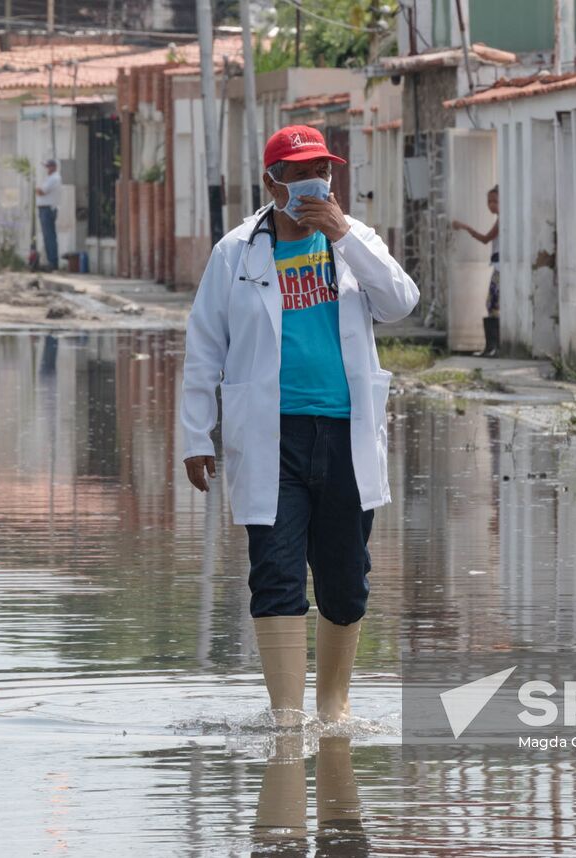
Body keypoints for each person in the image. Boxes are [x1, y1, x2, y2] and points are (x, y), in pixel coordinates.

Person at [180, 125, 419, 727]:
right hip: (270, 438)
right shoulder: (236, 252)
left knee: (345, 580)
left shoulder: (354, 240)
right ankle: (287, 718)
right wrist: (194, 436)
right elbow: (204, 347)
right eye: (300, 172)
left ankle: (332, 709)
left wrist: (345, 237)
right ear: (273, 181)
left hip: (345, 435)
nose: (315, 183)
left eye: (324, 171)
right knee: (276, 573)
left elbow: (402, 302)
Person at [452, 185, 501, 356]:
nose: (491, 205)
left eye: (495, 201)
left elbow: (486, 239)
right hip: (497, 265)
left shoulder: (502, 221)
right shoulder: (500, 219)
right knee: (493, 305)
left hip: (501, 267)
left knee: (493, 305)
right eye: (489, 202)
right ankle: (492, 346)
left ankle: (493, 346)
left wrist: (465, 227)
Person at [35, 158, 61, 271]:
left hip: (48, 209)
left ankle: (53, 262)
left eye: (49, 166)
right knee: (47, 236)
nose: (47, 169)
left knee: (49, 236)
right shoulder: (50, 178)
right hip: (45, 209)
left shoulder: (54, 178)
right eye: (47, 166)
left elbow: (41, 192)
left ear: (54, 167)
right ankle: (50, 261)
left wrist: (36, 189)